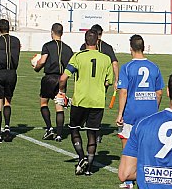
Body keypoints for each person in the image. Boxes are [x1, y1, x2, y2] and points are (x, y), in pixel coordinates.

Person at [58, 29, 114, 176]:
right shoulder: (106, 58)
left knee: (74, 129)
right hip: (97, 101)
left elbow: (63, 78)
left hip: (80, 101)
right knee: (92, 133)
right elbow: (108, 82)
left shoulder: (78, 57)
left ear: (85, 41)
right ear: (97, 41)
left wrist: (62, 93)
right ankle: (88, 168)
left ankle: (81, 157)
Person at [116, 34, 164, 189]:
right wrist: (153, 108)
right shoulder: (154, 67)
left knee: (127, 142)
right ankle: (149, 177)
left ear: (131, 48)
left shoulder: (127, 67)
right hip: (150, 112)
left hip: (132, 112)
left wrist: (120, 113)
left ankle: (128, 180)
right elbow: (159, 93)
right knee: (148, 144)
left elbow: (123, 92)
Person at [33, 23, 73, 142]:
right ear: (62, 33)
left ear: (52, 32)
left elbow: (43, 61)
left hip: (49, 78)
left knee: (44, 103)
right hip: (62, 79)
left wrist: (36, 66)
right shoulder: (68, 49)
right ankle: (59, 134)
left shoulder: (47, 46)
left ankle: (49, 128)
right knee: (59, 106)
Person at [81, 24, 119, 143]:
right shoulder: (107, 47)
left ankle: (91, 130)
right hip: (102, 84)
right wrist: (116, 80)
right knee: (97, 108)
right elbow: (115, 63)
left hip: (87, 83)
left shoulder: (84, 46)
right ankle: (95, 132)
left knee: (87, 106)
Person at [0, 18, 20, 143]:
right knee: (8, 101)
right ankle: (7, 127)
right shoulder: (16, 41)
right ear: (9, 28)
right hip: (12, 73)